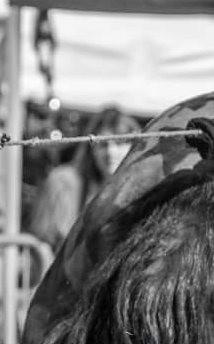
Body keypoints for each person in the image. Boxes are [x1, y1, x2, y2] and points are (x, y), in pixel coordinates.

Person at [27, 106, 139, 253]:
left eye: (119, 143)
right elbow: (46, 244)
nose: (110, 152)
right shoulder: (65, 181)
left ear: (133, 146)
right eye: (103, 144)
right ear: (91, 149)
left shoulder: (141, 187)